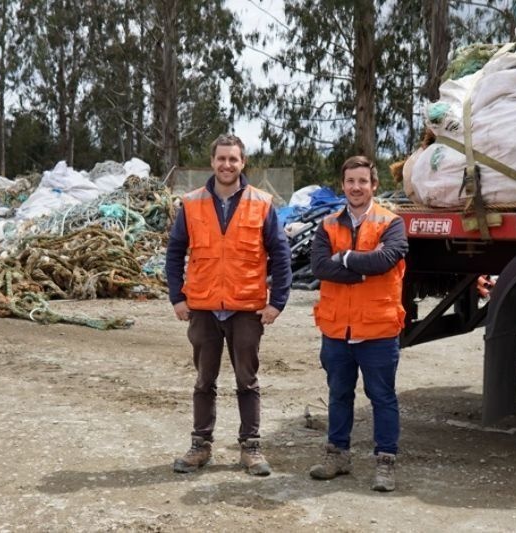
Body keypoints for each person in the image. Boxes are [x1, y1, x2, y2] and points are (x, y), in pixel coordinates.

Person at [166, 134, 291, 476]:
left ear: (243, 162)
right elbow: (175, 253)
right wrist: (177, 296)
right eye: (221, 159)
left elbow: (281, 255)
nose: (227, 165)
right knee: (204, 380)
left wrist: (277, 302)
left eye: (233, 159)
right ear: (212, 162)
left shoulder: (262, 203)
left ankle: (250, 448)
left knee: (246, 381)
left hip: (246, 308)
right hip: (203, 308)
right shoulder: (191, 204)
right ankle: (200, 446)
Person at [308, 155, 408, 492]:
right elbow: (320, 267)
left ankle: (386, 462)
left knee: (382, 397)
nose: (356, 187)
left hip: (378, 330)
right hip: (337, 329)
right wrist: (365, 271)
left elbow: (386, 259)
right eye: (350, 181)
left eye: (362, 181)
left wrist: (348, 259)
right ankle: (338, 456)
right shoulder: (328, 225)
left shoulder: (391, 223)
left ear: (374, 185)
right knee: (339, 395)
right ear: (343, 184)